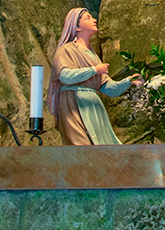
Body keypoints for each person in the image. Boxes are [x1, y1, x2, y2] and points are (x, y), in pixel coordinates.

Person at [49, 8, 142, 145]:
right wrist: (93, 70)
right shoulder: (66, 50)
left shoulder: (93, 56)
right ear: (77, 27)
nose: (94, 20)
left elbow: (107, 88)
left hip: (93, 107)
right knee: (80, 148)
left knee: (100, 149)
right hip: (73, 104)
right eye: (87, 18)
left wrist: (128, 81)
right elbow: (65, 76)